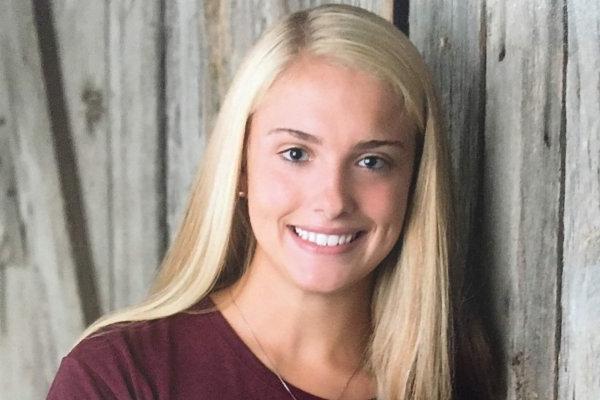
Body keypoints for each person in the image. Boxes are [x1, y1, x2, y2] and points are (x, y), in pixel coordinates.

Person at [48, 4, 494, 400]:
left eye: (373, 161)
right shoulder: (119, 377)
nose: (333, 200)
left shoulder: (451, 380)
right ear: (241, 168)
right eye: (296, 154)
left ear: (415, 181)